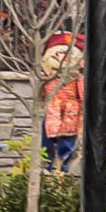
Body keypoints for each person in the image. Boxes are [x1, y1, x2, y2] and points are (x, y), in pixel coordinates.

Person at [40, 34, 85, 171]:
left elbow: (82, 96)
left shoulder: (77, 79)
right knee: (46, 143)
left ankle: (62, 169)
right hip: (52, 111)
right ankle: (47, 167)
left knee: (67, 142)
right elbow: (43, 93)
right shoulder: (48, 78)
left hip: (70, 114)